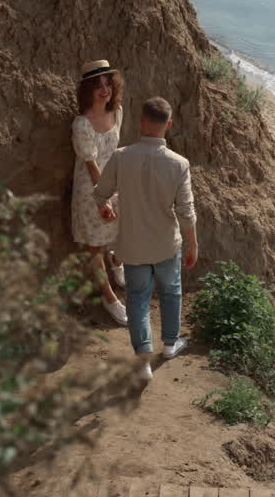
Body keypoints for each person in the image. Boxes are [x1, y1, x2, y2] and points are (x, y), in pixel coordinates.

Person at [94, 96, 198, 382]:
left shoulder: (121, 156)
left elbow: (100, 193)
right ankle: (169, 345)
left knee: (138, 299)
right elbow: (186, 211)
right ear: (169, 124)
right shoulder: (179, 164)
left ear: (141, 122)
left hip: (133, 245)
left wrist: (105, 207)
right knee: (170, 292)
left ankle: (143, 362)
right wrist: (193, 243)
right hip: (166, 244)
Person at [71, 59, 128, 325]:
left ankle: (117, 260)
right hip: (91, 187)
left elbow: (116, 149)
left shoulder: (117, 112)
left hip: (115, 178)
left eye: (107, 84)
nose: (104, 90)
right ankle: (109, 298)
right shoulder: (82, 124)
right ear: (88, 91)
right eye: (97, 86)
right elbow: (92, 166)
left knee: (122, 227)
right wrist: (102, 198)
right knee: (95, 244)